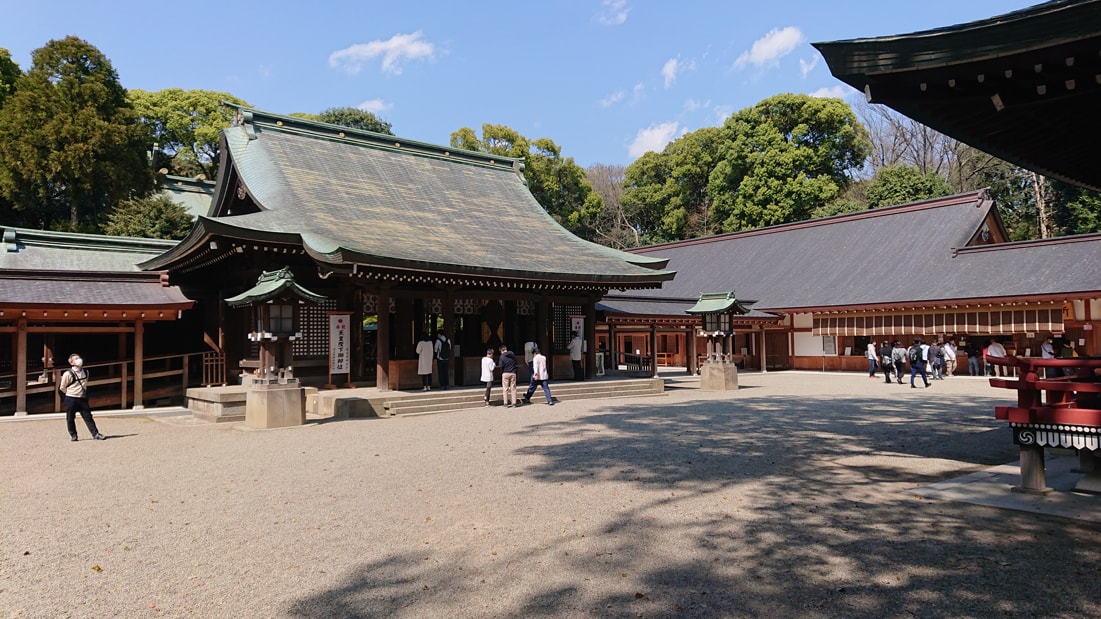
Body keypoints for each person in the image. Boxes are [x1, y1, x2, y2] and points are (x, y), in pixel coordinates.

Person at [59, 353, 105, 441]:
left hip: (82, 397)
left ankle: (95, 434)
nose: (79, 360)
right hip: (71, 398)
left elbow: (85, 383)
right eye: (76, 359)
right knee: (70, 418)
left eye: (79, 358)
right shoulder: (67, 374)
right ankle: (73, 435)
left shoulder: (86, 372)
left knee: (88, 417)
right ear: (71, 363)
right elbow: (62, 387)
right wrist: (69, 393)